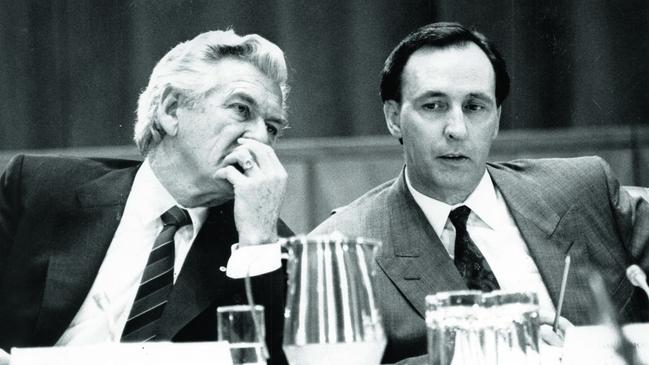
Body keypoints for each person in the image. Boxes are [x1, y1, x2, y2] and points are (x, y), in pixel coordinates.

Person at [310, 22, 649, 364]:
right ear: (394, 117)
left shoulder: (584, 190)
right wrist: (501, 351)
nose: (456, 130)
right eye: (433, 106)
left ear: (497, 118)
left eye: (474, 107)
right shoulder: (343, 247)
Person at [0, 30, 292, 365]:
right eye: (241, 109)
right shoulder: (40, 189)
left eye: (271, 128)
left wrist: (257, 240)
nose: (259, 137)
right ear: (171, 110)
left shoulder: (267, 243)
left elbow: (267, 359)